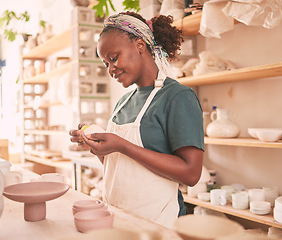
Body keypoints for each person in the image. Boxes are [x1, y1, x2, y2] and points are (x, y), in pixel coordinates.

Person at [69, 11, 204, 228]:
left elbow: (191, 173)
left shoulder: (177, 97)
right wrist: (98, 149)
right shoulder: (123, 102)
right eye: (105, 64)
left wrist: (122, 145)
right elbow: (122, 167)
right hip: (120, 221)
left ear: (140, 45)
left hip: (159, 224)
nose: (111, 69)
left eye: (114, 58)